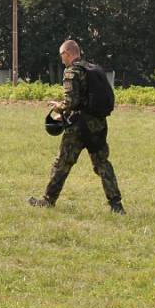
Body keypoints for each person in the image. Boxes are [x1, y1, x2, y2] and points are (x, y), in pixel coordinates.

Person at [28, 39, 125, 214]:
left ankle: (48, 199)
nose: (61, 59)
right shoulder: (93, 69)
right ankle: (116, 205)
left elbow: (71, 101)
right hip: (98, 125)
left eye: (61, 55)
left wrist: (58, 107)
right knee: (102, 163)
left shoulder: (72, 71)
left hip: (79, 127)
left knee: (62, 163)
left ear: (67, 53)